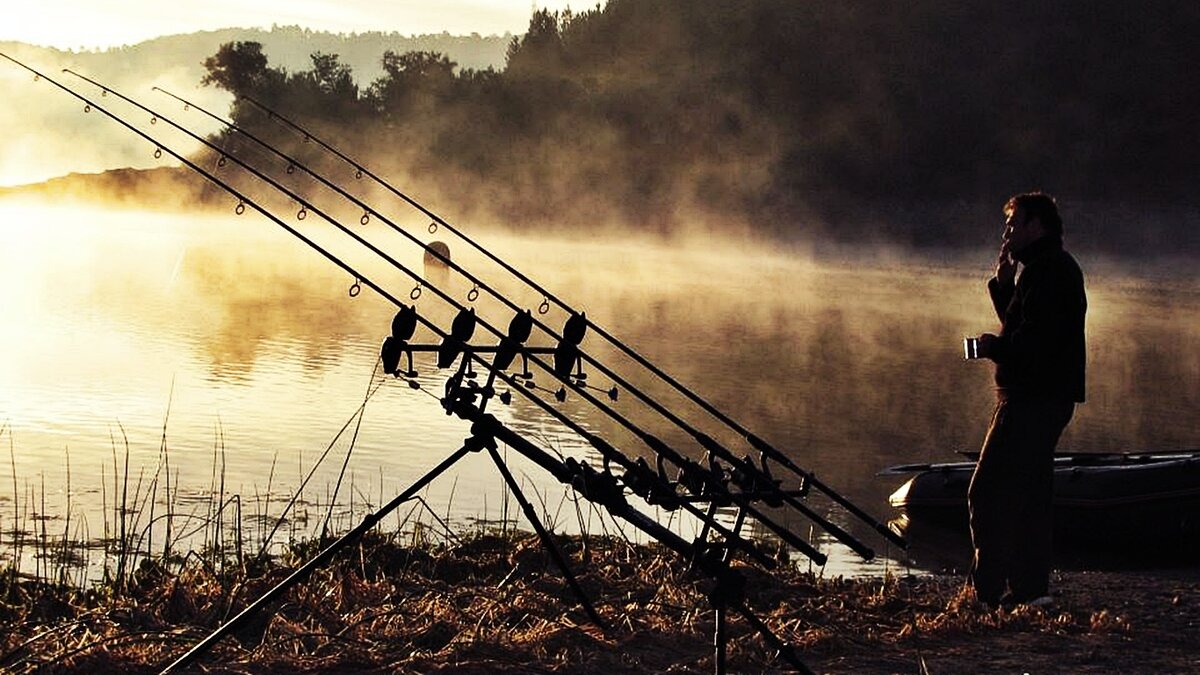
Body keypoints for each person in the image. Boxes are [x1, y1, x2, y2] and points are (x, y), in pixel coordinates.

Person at [967, 191, 1086, 607]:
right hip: (1044, 397)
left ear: (1037, 226)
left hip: (1032, 399)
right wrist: (1003, 288)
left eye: (1013, 224)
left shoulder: (1049, 273)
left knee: (987, 492)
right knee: (1031, 495)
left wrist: (989, 347)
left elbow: (1031, 345)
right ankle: (1030, 591)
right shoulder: (1044, 269)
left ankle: (987, 592)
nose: (1007, 233)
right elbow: (1024, 325)